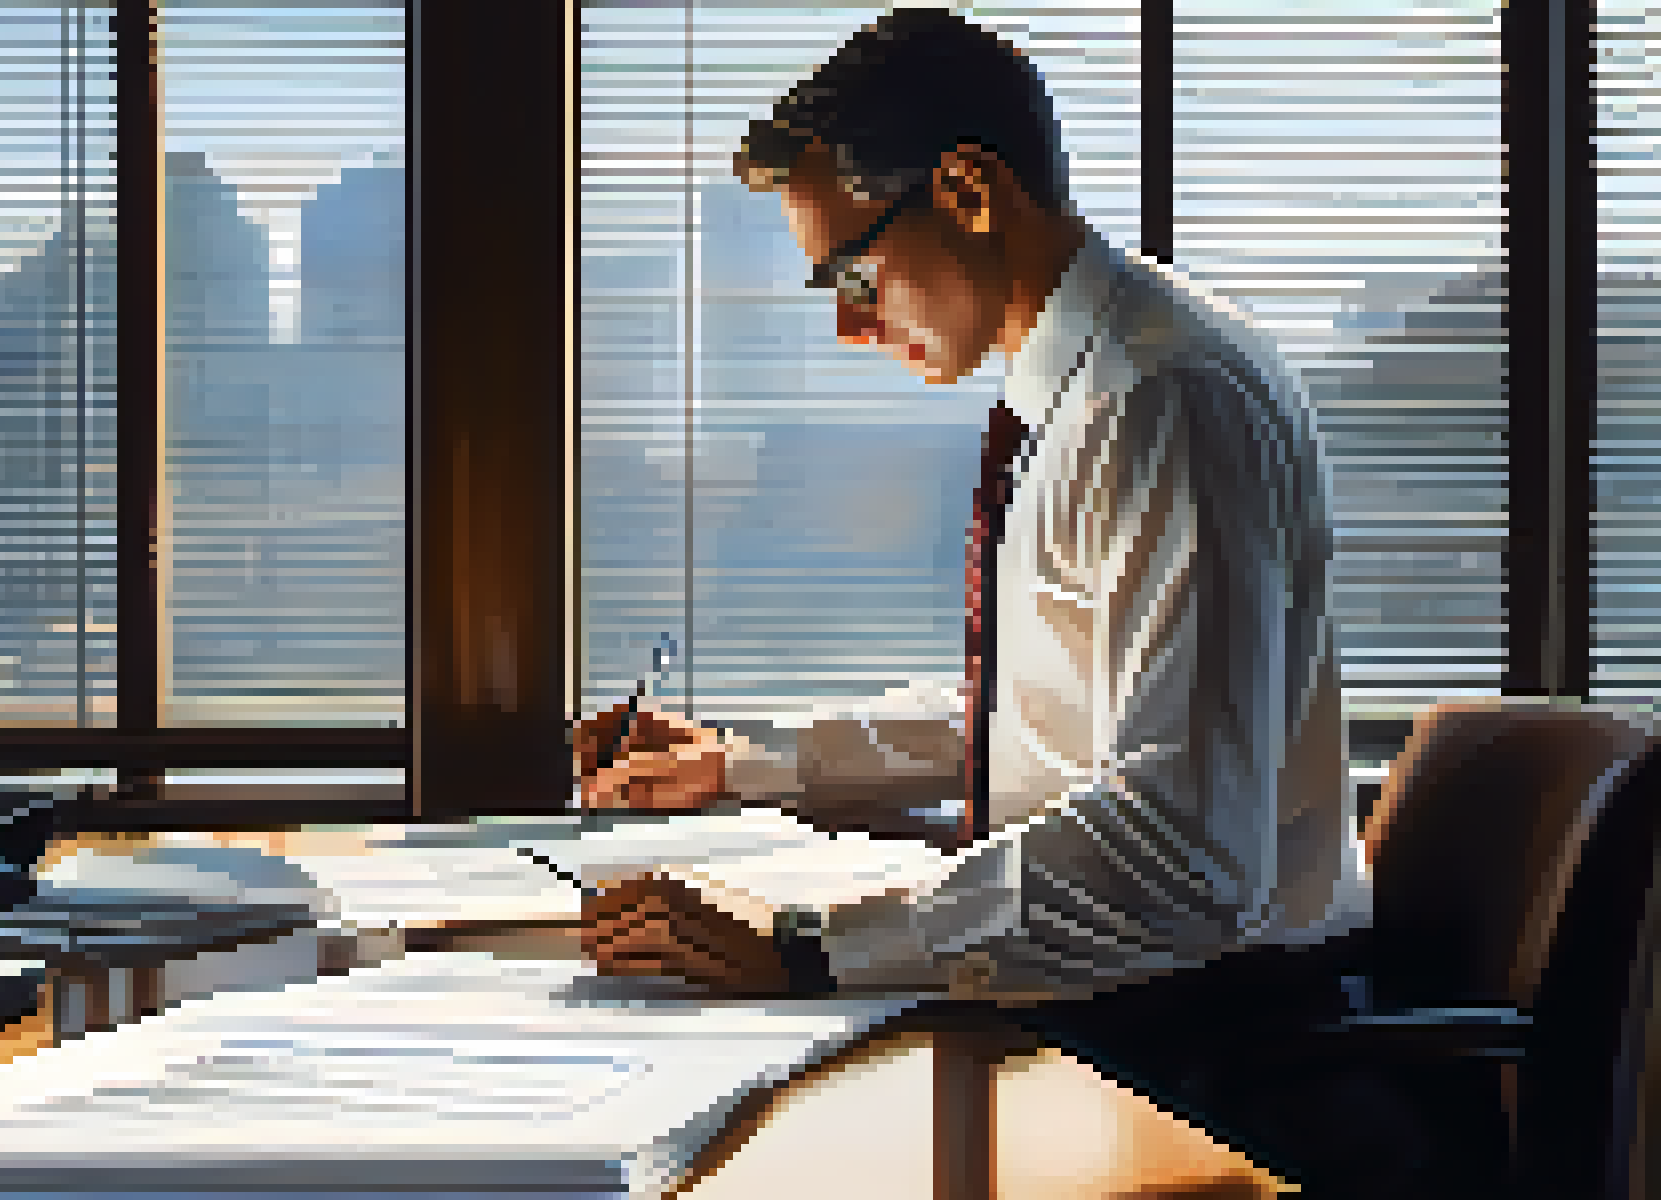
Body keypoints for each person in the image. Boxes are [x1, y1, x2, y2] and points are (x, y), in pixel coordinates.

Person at [572, 9, 1434, 1191]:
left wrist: (818, 949)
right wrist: (744, 763)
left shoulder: (1162, 397)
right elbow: (1038, 711)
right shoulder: (1076, 388)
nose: (845, 320)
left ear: (968, 189)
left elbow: (1181, 847)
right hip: (1123, 1008)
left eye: (853, 270)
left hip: (1214, 1061)